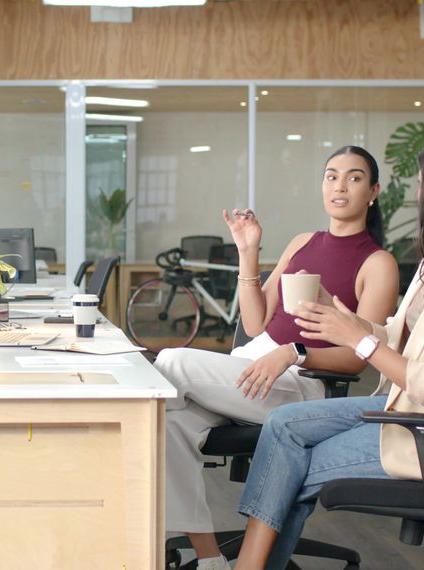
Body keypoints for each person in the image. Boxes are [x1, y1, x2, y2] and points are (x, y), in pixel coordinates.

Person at [230, 134, 424, 570]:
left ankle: (249, 567)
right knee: (283, 427)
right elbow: (400, 334)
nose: (419, 195)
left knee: (293, 465)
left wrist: (358, 340)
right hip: (405, 406)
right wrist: (348, 320)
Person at [156, 146, 399, 569]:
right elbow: (254, 323)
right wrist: (248, 251)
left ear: (373, 191)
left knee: (171, 364)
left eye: (354, 177)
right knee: (168, 424)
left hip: (300, 382)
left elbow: (360, 358)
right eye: (331, 175)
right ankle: (211, 561)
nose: (339, 185)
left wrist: (295, 353)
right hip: (253, 363)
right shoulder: (303, 243)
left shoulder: (378, 263)